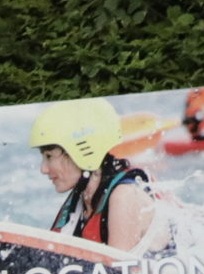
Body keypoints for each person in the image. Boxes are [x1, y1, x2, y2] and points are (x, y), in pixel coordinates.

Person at [29, 97, 161, 255]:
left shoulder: (125, 196)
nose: (43, 169)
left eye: (49, 156)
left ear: (81, 152)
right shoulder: (82, 201)